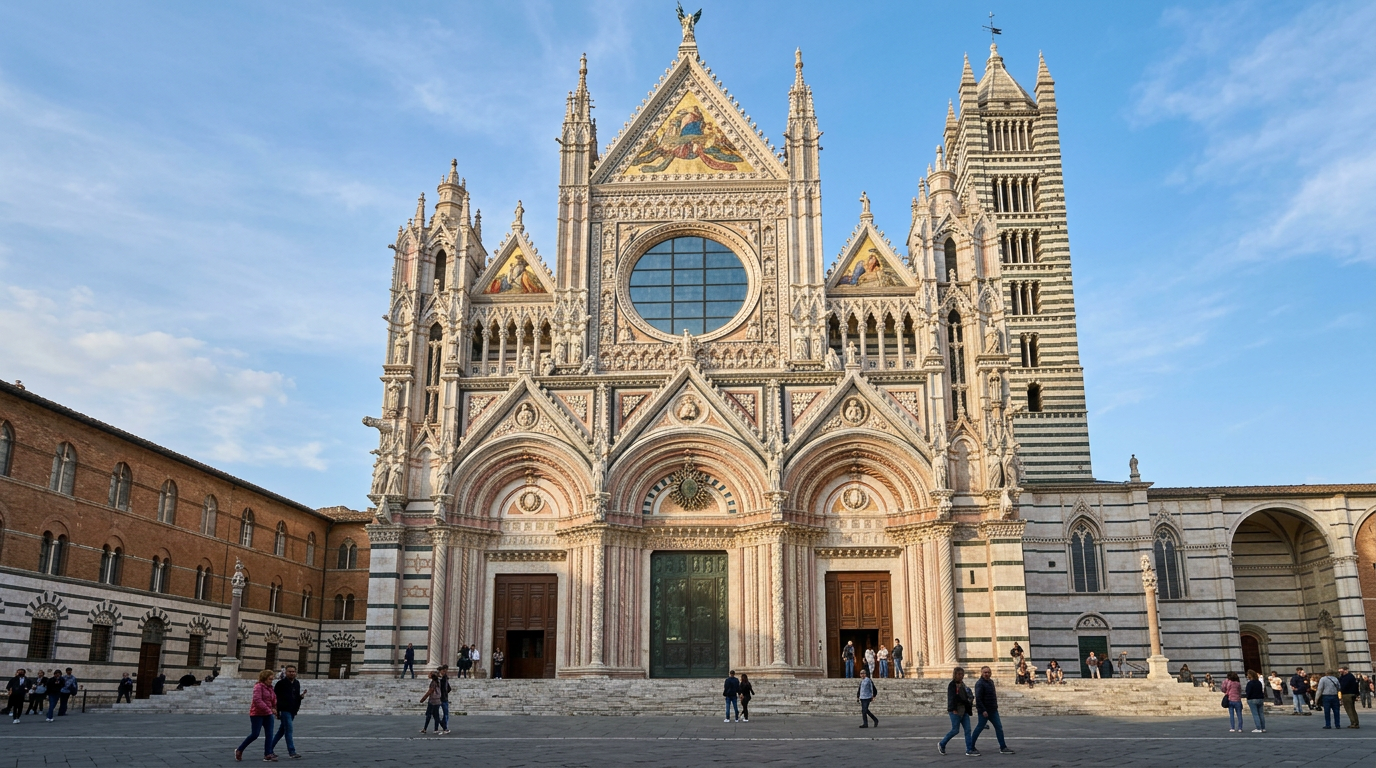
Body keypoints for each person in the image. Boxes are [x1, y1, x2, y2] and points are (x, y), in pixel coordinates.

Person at [235, 669, 278, 762]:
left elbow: (273, 699)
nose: (271, 681)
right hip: (257, 714)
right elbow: (257, 700)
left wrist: (274, 707)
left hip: (268, 714)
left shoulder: (270, 688)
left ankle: (268, 754)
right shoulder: (258, 687)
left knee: (269, 734)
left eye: (272, 679)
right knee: (255, 734)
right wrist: (268, 709)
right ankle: (240, 749)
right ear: (264, 678)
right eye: (270, 679)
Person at [971, 665, 1015, 754]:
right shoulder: (979, 684)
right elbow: (978, 698)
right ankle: (970, 746)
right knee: (979, 728)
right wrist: (983, 710)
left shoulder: (991, 682)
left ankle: (1003, 747)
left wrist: (995, 706)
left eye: (988, 672)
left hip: (993, 710)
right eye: (985, 672)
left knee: (999, 727)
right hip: (984, 711)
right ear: (981, 673)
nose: (987, 674)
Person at [270, 665, 305, 758]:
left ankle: (269, 749)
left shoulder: (297, 683)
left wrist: (300, 697)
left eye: (293, 671)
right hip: (284, 710)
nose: (292, 673)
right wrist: (276, 710)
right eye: (290, 671)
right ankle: (292, 751)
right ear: (285, 672)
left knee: (281, 731)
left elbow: (295, 696)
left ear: (296, 672)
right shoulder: (280, 683)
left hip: (293, 710)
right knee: (289, 730)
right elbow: (274, 698)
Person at [939, 667, 975, 756]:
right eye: (959, 674)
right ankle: (942, 743)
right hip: (956, 711)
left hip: (964, 711)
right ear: (955, 674)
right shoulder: (952, 685)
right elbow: (952, 698)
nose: (961, 676)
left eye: (962, 674)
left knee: (968, 730)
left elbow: (967, 696)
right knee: (955, 730)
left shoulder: (963, 685)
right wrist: (953, 709)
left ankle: (969, 749)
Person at [436, 665, 451, 734]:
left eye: (445, 671)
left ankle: (445, 727)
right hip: (439, 698)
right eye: (443, 671)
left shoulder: (445, 678)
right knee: (436, 713)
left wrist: (445, 692)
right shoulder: (438, 679)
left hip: (444, 698)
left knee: (446, 714)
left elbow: (448, 688)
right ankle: (441, 726)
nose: (444, 672)